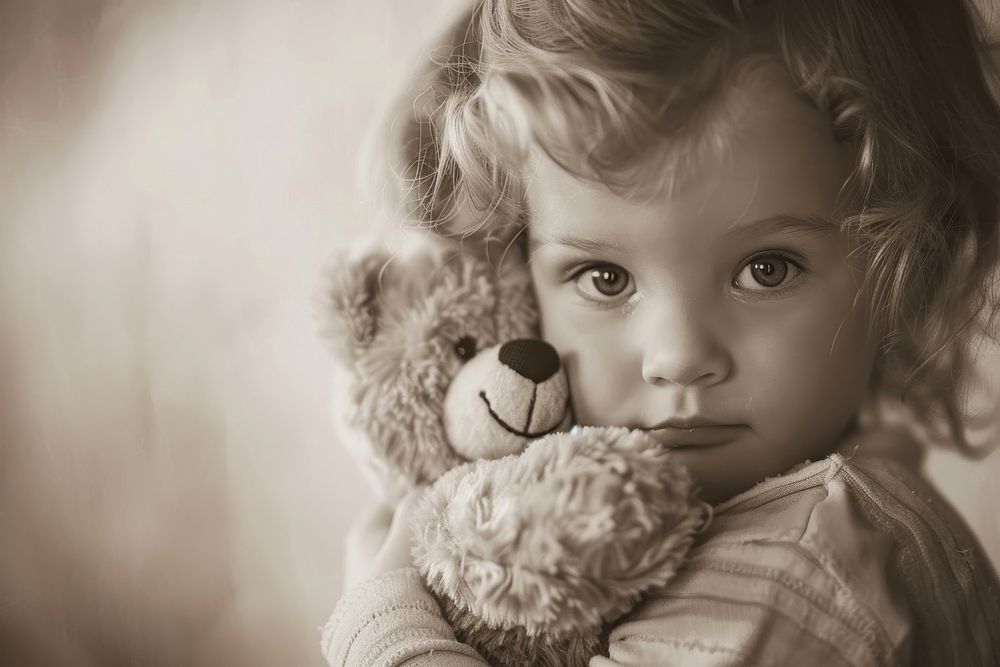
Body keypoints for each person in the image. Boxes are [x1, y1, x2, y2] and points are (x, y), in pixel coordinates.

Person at [323, 0, 1000, 664]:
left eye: (766, 270)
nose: (678, 358)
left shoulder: (801, 569)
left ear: (906, 259)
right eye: (605, 278)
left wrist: (382, 623)